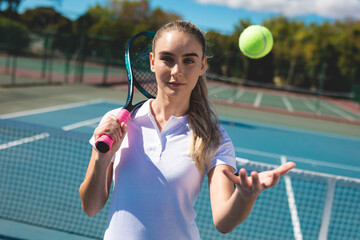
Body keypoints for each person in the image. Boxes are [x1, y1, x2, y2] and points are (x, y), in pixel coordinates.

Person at [79, 20, 295, 239]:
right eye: (167, 59)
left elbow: (223, 221)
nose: (177, 71)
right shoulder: (114, 122)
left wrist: (245, 196)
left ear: (202, 66)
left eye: (189, 61)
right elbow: (90, 207)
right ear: (152, 62)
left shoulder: (214, 137)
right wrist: (101, 157)